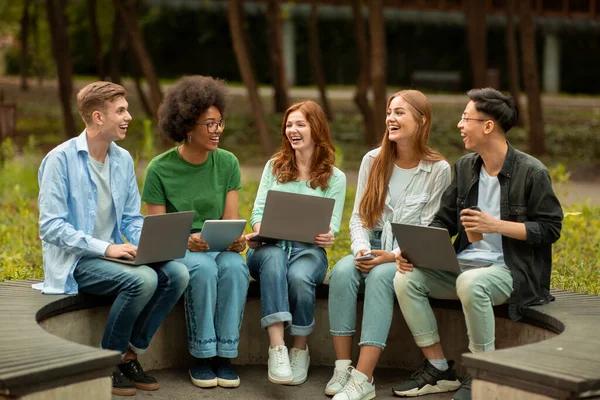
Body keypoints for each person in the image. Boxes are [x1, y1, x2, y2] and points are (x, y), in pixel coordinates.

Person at [392, 88, 563, 400]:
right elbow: (443, 220)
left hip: (512, 271)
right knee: (407, 279)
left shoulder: (531, 172)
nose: (459, 124)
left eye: (465, 118)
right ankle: (439, 367)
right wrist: (414, 251)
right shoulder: (466, 167)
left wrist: (496, 225)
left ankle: (485, 372)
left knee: (471, 283)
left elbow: (550, 228)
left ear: (488, 126)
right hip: (466, 263)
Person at [36, 81, 190, 397]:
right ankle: (107, 363)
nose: (128, 117)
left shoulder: (122, 160)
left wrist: (149, 244)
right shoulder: (60, 160)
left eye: (126, 109)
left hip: (112, 255)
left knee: (177, 273)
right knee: (144, 280)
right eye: (120, 111)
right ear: (97, 117)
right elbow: (51, 227)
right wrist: (106, 247)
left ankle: (130, 355)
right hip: (76, 260)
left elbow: (132, 220)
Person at [327, 90, 451, 400]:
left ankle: (363, 377)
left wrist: (391, 257)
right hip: (372, 243)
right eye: (389, 113)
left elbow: (429, 230)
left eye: (399, 113)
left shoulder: (439, 169)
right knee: (342, 272)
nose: (390, 119)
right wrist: (359, 250)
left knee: (383, 278)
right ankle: (342, 366)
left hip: (408, 252)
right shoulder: (374, 160)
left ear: (421, 121)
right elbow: (358, 218)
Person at [142, 75, 249, 389]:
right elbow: (157, 233)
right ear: (187, 127)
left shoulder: (228, 163)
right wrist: (186, 240)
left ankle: (225, 355)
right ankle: (202, 356)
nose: (217, 131)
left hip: (218, 246)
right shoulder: (159, 169)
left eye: (220, 123)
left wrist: (236, 241)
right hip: (181, 247)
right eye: (209, 124)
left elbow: (230, 220)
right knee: (201, 270)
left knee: (235, 269)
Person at [244, 100, 346, 386]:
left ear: (316, 129)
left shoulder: (334, 177)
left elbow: (333, 224)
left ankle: (299, 348)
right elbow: (258, 210)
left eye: (300, 124)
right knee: (275, 257)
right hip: (267, 249)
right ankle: (277, 348)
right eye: (289, 125)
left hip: (308, 251)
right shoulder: (274, 166)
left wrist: (327, 235)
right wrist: (260, 231)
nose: (293, 130)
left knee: (300, 276)